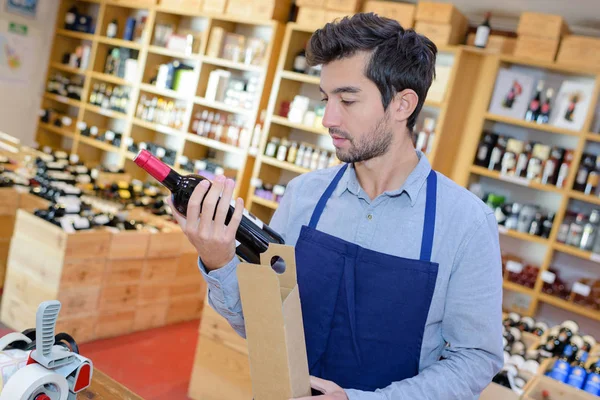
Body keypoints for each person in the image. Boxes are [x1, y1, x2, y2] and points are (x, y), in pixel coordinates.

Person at [169, 13, 503, 400]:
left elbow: (474, 359)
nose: (328, 118)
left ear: (402, 104)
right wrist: (219, 261)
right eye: (326, 99)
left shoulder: (466, 223)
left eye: (347, 99)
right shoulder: (303, 196)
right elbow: (262, 324)